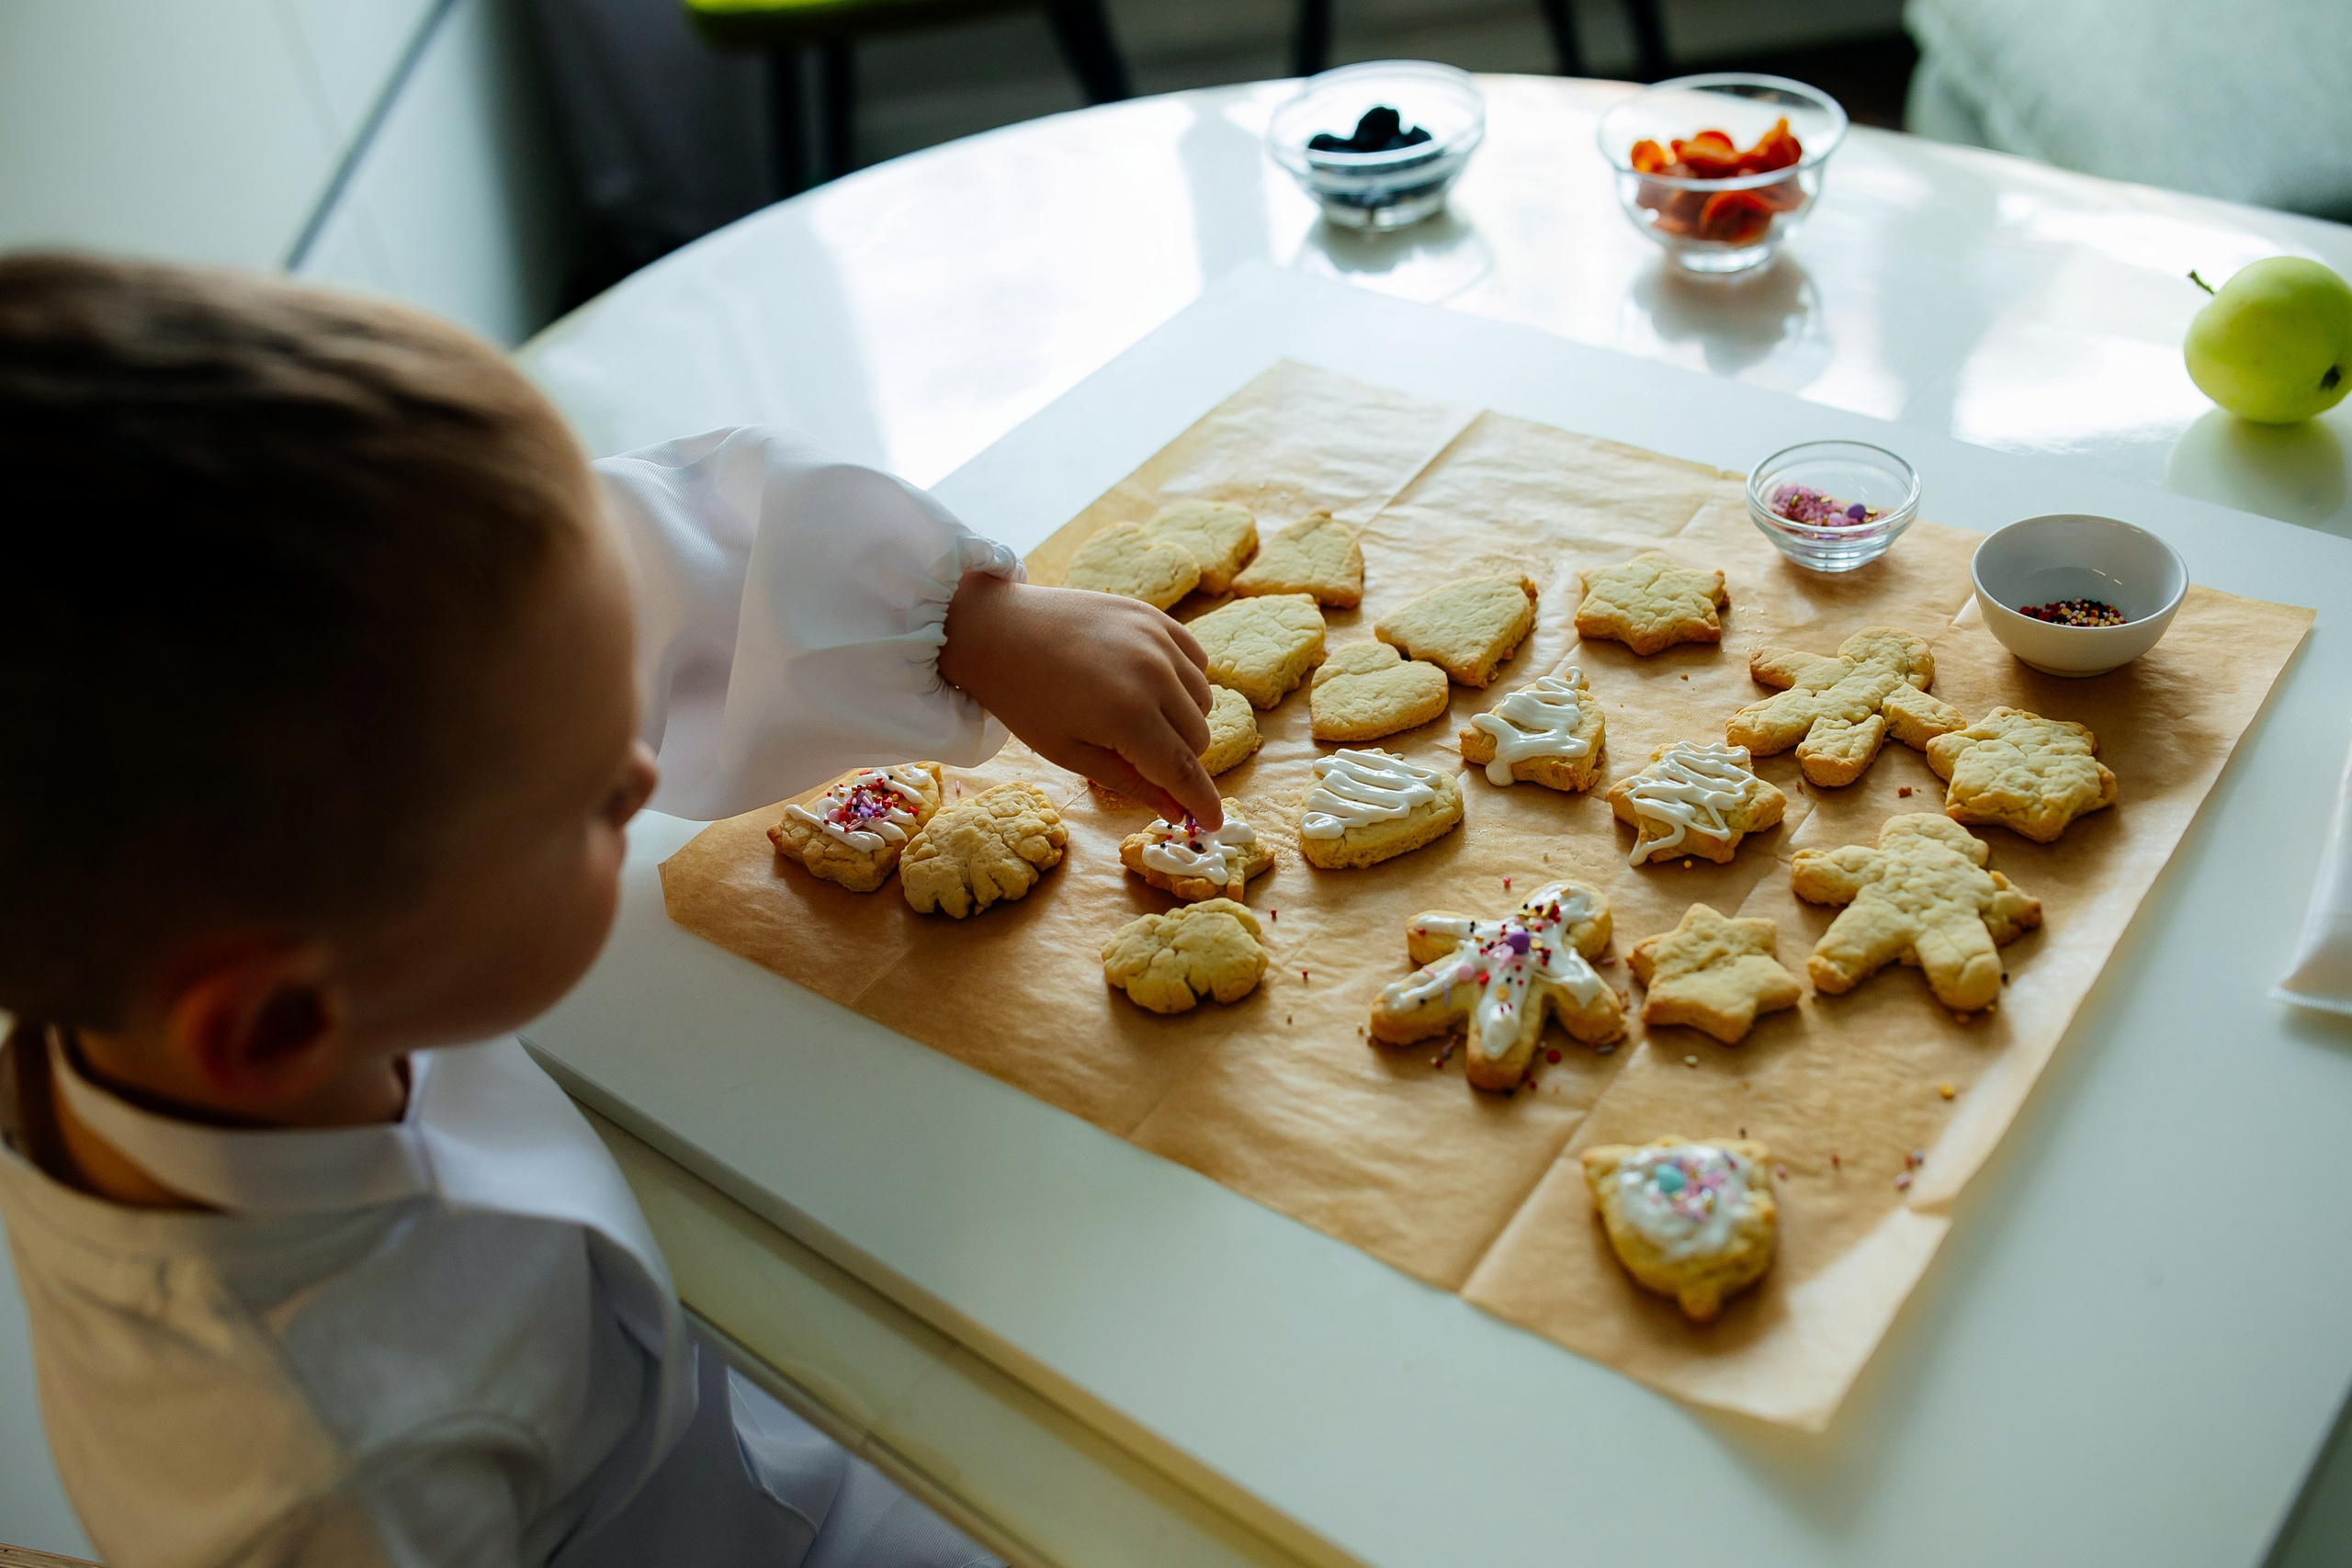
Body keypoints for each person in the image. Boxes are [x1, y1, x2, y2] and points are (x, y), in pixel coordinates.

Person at [0, 252, 1222, 1566]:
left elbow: (651, 550)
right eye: (589, 805)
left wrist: (972, 624)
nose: (644, 769)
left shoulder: (341, 789)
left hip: (752, 1416)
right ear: (285, 1019)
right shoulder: (329, 1480)